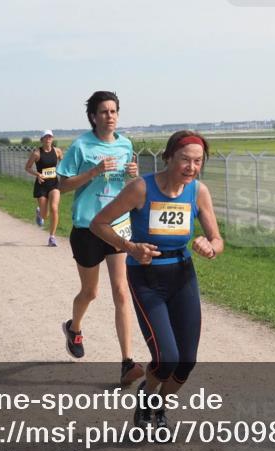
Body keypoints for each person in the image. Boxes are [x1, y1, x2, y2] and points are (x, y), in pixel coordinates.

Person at [91, 130, 223, 432]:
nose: (190, 167)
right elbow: (98, 223)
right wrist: (130, 247)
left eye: (197, 161)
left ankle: (157, 404)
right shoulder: (141, 188)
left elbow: (217, 239)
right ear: (168, 157)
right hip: (147, 277)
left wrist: (210, 247)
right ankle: (148, 396)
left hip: (182, 276)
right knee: (166, 359)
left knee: (186, 362)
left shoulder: (198, 192)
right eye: (184, 160)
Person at [56, 91, 143, 385]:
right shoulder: (81, 146)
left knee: (121, 291)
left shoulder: (125, 144)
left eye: (114, 111)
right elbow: (63, 185)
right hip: (87, 227)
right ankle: (74, 327)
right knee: (90, 292)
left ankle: (127, 362)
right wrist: (93, 171)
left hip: (117, 224)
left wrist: (133, 174)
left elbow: (126, 184)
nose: (110, 116)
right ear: (93, 116)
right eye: (104, 111)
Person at [25, 131, 63, 247]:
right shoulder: (37, 153)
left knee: (54, 208)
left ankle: (52, 237)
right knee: (45, 215)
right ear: (42, 139)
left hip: (54, 183)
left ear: (52, 139)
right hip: (41, 184)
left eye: (50, 137)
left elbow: (63, 162)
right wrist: (37, 174)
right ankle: (39, 213)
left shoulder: (57, 151)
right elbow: (27, 168)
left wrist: (62, 171)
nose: (48, 139)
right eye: (46, 137)